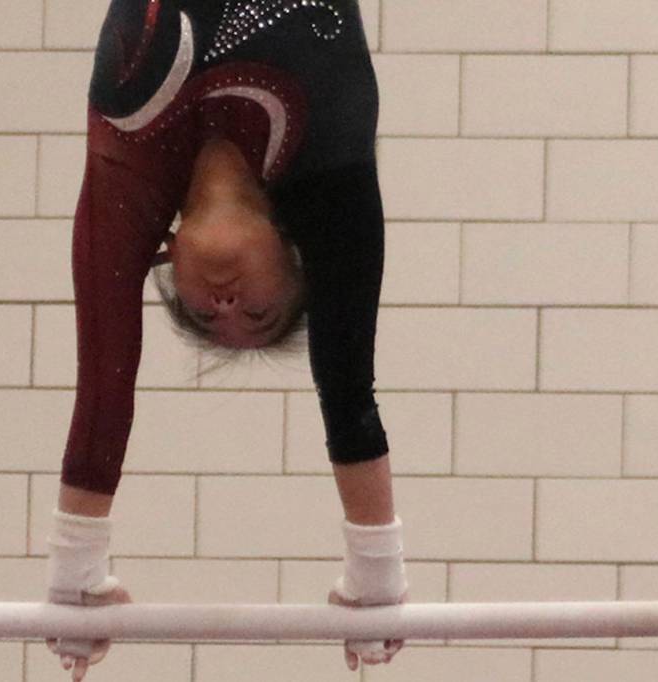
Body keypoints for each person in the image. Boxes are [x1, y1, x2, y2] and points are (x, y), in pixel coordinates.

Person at [45, 2, 408, 679]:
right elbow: (349, 390)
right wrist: (377, 574)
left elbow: (103, 385)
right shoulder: (329, 165)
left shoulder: (128, 177)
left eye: (206, 318)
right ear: (299, 258)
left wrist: (75, 573)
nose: (227, 306)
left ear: (169, 261)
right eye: (262, 316)